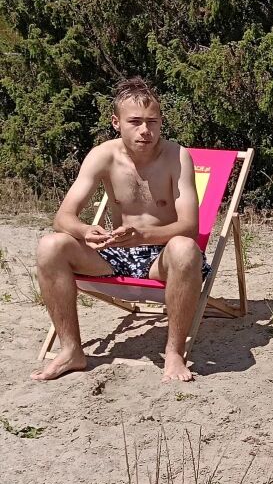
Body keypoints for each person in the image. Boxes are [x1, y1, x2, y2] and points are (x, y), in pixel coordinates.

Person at [33, 77, 209, 382]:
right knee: (51, 245)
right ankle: (71, 351)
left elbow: (189, 227)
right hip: (116, 253)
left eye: (152, 122)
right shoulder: (103, 155)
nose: (145, 130)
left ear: (161, 122)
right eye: (135, 122)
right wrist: (85, 231)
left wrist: (144, 236)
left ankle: (174, 353)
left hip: (162, 257)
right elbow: (63, 217)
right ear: (116, 122)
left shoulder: (176, 156)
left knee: (184, 248)